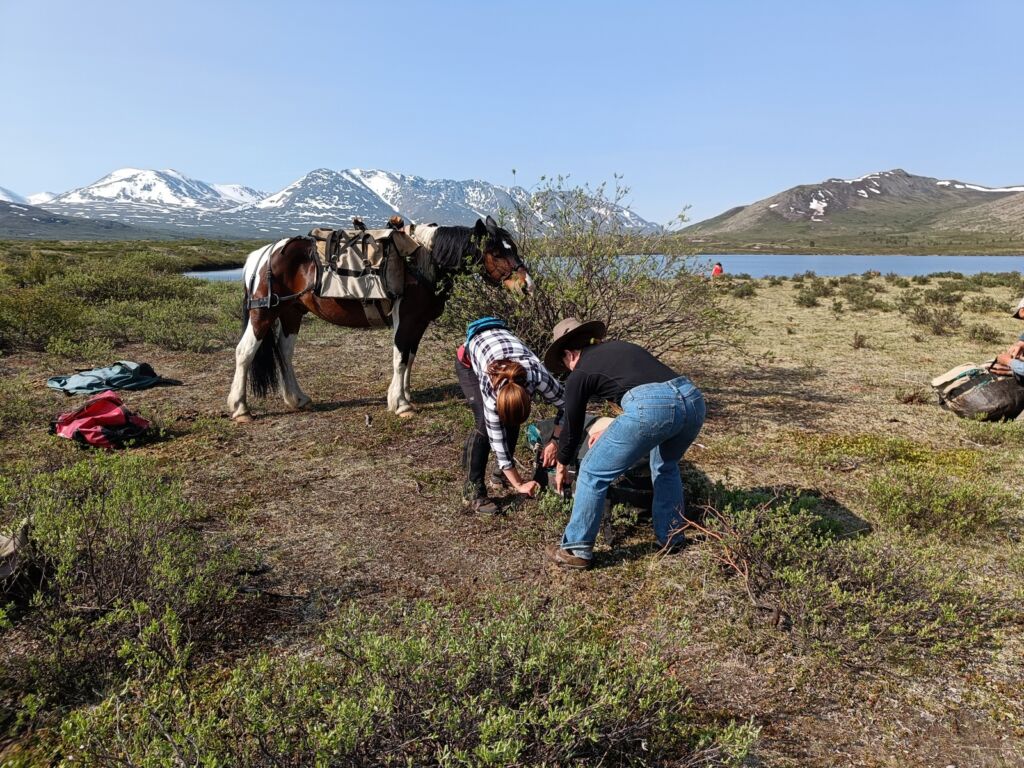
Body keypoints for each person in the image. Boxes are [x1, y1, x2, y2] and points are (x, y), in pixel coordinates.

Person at [541, 318, 706, 569]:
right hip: (693, 400)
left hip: (653, 407)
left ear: (569, 354)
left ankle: (576, 548)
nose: (567, 370)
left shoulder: (580, 373)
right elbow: (651, 390)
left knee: (592, 472)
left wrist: (562, 462)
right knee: (665, 466)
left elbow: (572, 428)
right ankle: (672, 537)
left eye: (564, 364)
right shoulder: (621, 347)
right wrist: (615, 425)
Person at [457, 317, 564, 513]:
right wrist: (520, 484)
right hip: (468, 362)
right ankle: (473, 492)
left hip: (507, 355)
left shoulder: (537, 375)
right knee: (483, 425)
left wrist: (555, 440)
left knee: (511, 423)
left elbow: (567, 405)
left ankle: (501, 475)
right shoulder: (491, 394)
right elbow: (497, 440)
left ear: (528, 395)